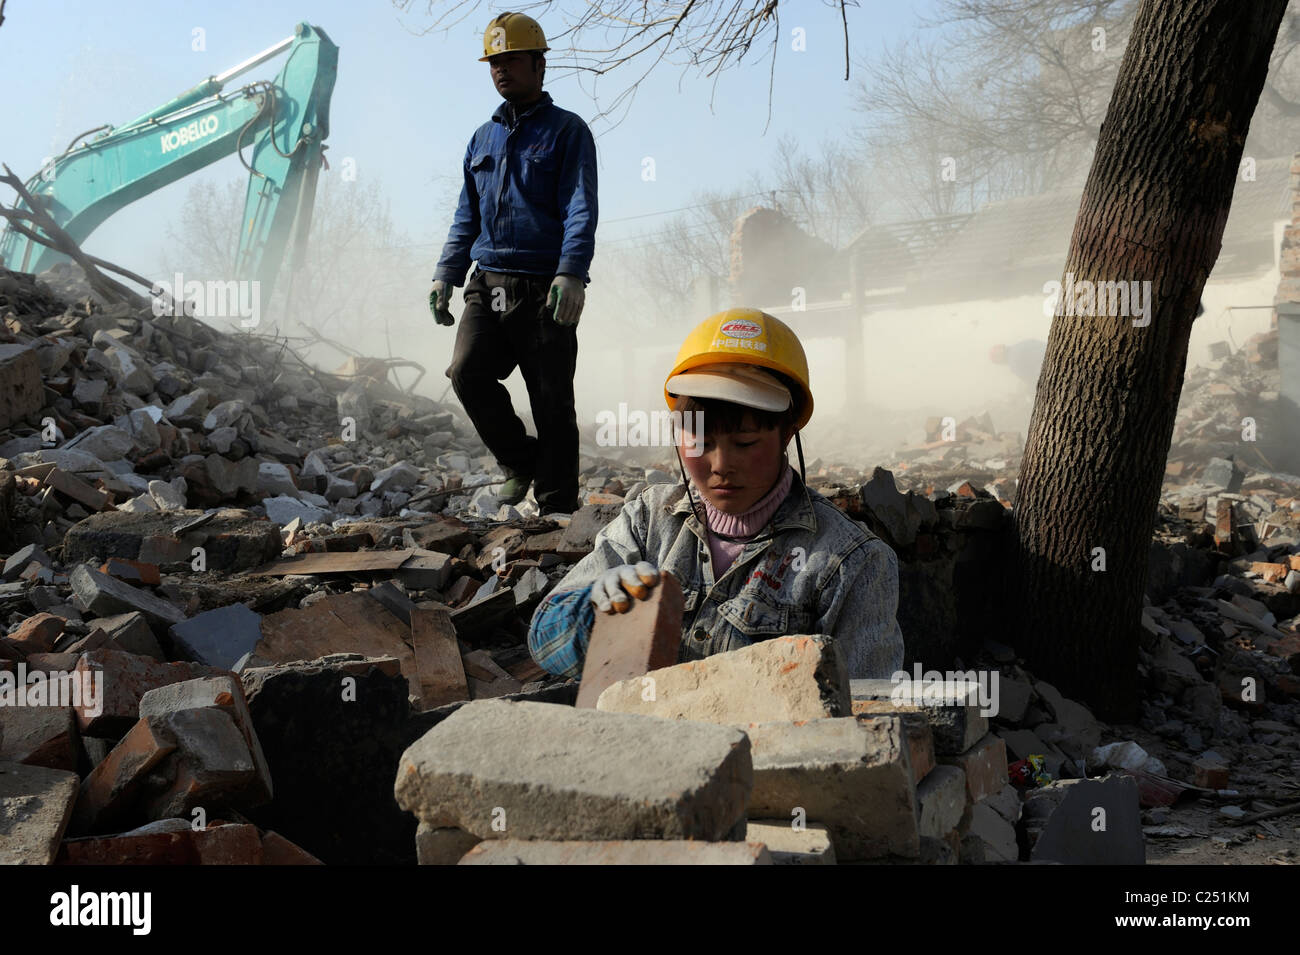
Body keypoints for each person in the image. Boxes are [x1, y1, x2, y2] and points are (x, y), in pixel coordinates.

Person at [528, 308, 905, 680]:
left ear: (788, 434)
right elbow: (543, 643)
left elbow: (865, 710)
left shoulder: (852, 563)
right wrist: (590, 610)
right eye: (701, 441)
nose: (721, 464)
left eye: (745, 442)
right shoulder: (647, 521)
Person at [429, 11, 597, 515]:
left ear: (539, 65)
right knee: (466, 372)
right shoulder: (482, 138)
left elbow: (580, 206)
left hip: (545, 287)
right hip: (488, 283)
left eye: (512, 60)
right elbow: (467, 214)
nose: (501, 70)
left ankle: (558, 509)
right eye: (494, 62)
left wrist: (571, 272)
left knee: (551, 401)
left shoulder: (568, 131)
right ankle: (520, 461)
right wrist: (446, 274)